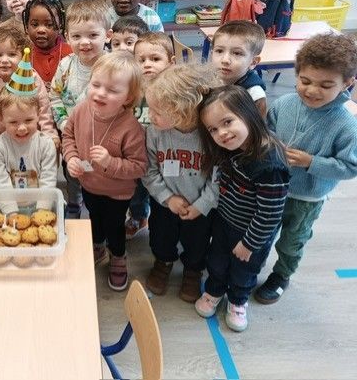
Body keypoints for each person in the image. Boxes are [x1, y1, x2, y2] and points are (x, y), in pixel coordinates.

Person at [254, 33, 357, 304]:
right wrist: (269, 146)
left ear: (347, 83)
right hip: (271, 190)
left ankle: (281, 275)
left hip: (306, 199)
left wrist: (311, 162)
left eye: (326, 85)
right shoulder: (284, 104)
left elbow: (350, 167)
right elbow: (268, 132)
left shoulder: (347, 125)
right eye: (305, 81)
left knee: (292, 240)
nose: (312, 91)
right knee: (263, 233)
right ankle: (253, 266)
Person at [196, 85, 289, 332]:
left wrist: (249, 243)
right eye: (213, 129)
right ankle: (214, 291)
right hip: (225, 220)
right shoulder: (232, 147)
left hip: (251, 233)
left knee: (244, 270)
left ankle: (238, 300)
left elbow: (270, 214)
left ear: (249, 114)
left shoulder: (270, 164)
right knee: (217, 261)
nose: (222, 133)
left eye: (227, 122)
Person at [62, 51, 147, 291]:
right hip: (89, 185)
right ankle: (98, 246)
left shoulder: (131, 127)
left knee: (115, 227)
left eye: (112, 90)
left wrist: (110, 161)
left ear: (128, 98)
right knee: (94, 220)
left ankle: (118, 256)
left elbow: (139, 167)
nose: (100, 93)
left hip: (118, 193)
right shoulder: (81, 110)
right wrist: (71, 157)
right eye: (96, 84)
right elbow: (68, 136)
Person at [142, 64, 220, 303]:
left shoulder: (211, 135)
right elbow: (148, 170)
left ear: (182, 111)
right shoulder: (154, 132)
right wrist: (167, 198)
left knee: (197, 244)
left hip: (200, 207)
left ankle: (193, 271)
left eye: (156, 111)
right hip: (165, 203)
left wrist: (202, 205)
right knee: (160, 237)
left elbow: (219, 178)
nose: (149, 115)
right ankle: (163, 262)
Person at [50, 0, 112, 218]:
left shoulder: (114, 67)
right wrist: (64, 123)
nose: (84, 42)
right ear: (67, 37)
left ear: (108, 35)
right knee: (73, 171)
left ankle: (101, 204)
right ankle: (74, 203)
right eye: (77, 36)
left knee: (101, 172)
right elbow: (55, 96)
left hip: (105, 136)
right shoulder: (65, 66)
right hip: (72, 135)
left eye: (93, 35)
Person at [0, 51, 58, 214]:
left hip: (40, 207)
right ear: (0, 119)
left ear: (38, 114)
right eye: (13, 122)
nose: (21, 128)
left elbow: (48, 179)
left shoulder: (46, 144)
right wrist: (11, 212)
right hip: (8, 209)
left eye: (28, 120)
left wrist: (42, 210)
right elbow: (1, 182)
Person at [126, 32, 177, 239]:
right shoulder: (132, 90)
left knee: (163, 191)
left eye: (155, 59)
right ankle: (139, 216)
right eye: (141, 60)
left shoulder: (175, 91)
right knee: (136, 190)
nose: (147, 64)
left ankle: (162, 224)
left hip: (166, 153)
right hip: (137, 153)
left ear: (171, 62)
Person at [0, 25, 57, 147]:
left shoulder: (33, 77)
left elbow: (44, 109)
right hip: (4, 142)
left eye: (11, 54)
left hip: (32, 138)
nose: (4, 60)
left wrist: (49, 134)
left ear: (23, 56)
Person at [210, 20, 267, 117]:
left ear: (253, 62)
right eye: (219, 51)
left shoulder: (255, 96)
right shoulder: (208, 81)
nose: (225, 60)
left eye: (237, 53)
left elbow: (256, 126)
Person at [22, 0, 72, 89]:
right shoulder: (24, 55)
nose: (41, 30)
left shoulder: (70, 53)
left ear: (60, 27)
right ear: (27, 27)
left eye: (49, 25)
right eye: (35, 25)